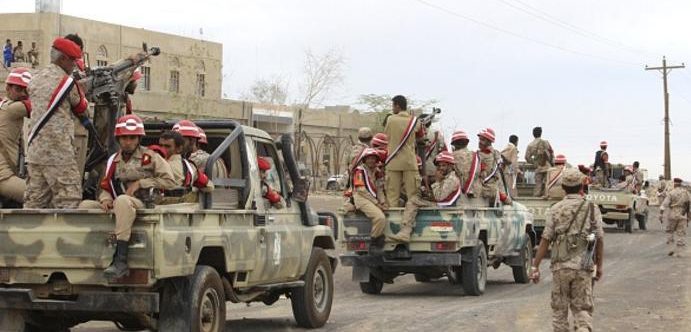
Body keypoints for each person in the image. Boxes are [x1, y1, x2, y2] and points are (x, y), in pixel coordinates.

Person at [79, 114, 176, 280]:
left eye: (132, 138)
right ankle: (91, 253)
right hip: (119, 202)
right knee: (85, 205)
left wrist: (141, 183)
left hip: (144, 203)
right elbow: (105, 185)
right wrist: (105, 198)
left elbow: (170, 181)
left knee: (123, 201)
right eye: (124, 138)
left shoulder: (150, 157)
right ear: (118, 139)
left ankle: (120, 260)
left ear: (138, 139)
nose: (128, 142)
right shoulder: (113, 161)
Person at [530, 168, 605, 332]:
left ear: (563, 187)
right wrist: (599, 266)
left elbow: (546, 239)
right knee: (582, 309)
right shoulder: (592, 208)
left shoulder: (555, 209)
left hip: (560, 266)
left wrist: (535, 266)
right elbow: (599, 238)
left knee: (559, 311)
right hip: (584, 265)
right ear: (581, 187)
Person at [24, 37, 89, 209]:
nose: (74, 65)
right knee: (69, 201)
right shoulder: (67, 83)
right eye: (73, 60)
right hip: (59, 153)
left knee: (35, 202)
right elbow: (82, 108)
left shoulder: (35, 79)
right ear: (63, 59)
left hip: (35, 152)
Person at [389, 151, 461, 243]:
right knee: (417, 196)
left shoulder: (451, 179)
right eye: (439, 166)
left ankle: (405, 232)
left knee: (413, 201)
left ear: (450, 166)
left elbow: (438, 197)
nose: (440, 168)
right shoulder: (447, 177)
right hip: (442, 204)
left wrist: (437, 181)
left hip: (445, 206)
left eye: (444, 165)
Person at [384, 95, 425, 207]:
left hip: (393, 162)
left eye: (393, 106)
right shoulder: (415, 121)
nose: (392, 109)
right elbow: (421, 137)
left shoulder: (390, 119)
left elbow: (387, 134)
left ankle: (393, 221)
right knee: (413, 196)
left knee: (392, 197)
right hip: (409, 162)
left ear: (397, 105)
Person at [0, 68, 32, 203]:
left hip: (8, 173)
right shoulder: (13, 108)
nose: (23, 94)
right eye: (18, 89)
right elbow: (44, 105)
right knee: (38, 199)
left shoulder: (4, 105)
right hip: (3, 176)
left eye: (26, 90)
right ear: (7, 88)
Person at [158, 130, 214, 203]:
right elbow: (209, 186)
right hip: (185, 210)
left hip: (160, 210)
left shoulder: (156, 165)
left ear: (179, 149)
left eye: (167, 146)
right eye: (160, 146)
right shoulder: (190, 167)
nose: (162, 149)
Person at [352, 148, 388, 253]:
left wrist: (383, 202)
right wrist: (377, 203)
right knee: (380, 218)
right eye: (369, 158)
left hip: (372, 198)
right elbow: (361, 190)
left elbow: (380, 189)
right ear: (364, 160)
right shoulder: (359, 171)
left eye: (373, 158)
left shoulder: (376, 172)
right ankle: (374, 242)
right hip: (361, 198)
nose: (371, 161)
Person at [477, 128, 510, 206]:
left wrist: (503, 196)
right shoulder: (477, 155)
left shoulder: (495, 155)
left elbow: (497, 177)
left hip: (493, 193)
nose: (480, 142)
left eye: (482, 140)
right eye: (479, 139)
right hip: (482, 192)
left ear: (489, 141)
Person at [660, 178, 690, 257]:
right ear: (680, 184)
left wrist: (661, 214)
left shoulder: (671, 193)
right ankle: (679, 252)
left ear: (674, 184)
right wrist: (689, 216)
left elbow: (664, 204)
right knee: (681, 233)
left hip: (672, 213)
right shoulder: (686, 193)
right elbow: (689, 205)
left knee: (670, 231)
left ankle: (671, 249)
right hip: (682, 214)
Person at [450, 130, 482, 201]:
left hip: (459, 193)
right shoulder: (476, 156)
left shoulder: (452, 156)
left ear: (454, 144)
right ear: (467, 143)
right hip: (476, 193)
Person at [525, 126, 554, 197]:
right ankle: (547, 196)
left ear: (533, 134)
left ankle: (537, 197)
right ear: (541, 133)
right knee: (547, 182)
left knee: (538, 183)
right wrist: (552, 163)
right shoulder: (546, 142)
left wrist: (534, 163)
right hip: (547, 166)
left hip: (538, 167)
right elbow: (551, 153)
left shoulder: (530, 145)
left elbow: (527, 157)